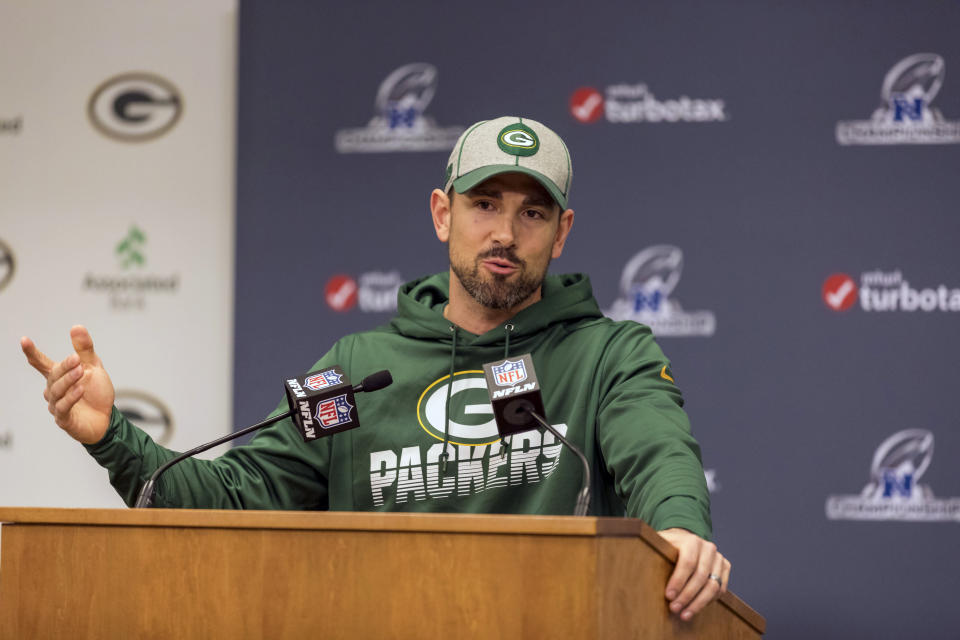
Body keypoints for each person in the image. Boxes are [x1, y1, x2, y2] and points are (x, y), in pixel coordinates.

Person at [21, 116, 730, 621]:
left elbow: (659, 454)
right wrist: (110, 433)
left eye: (532, 213)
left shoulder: (610, 354)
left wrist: (680, 529)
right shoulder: (359, 370)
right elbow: (232, 496)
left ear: (562, 231)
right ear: (442, 213)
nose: (506, 234)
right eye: (484, 205)